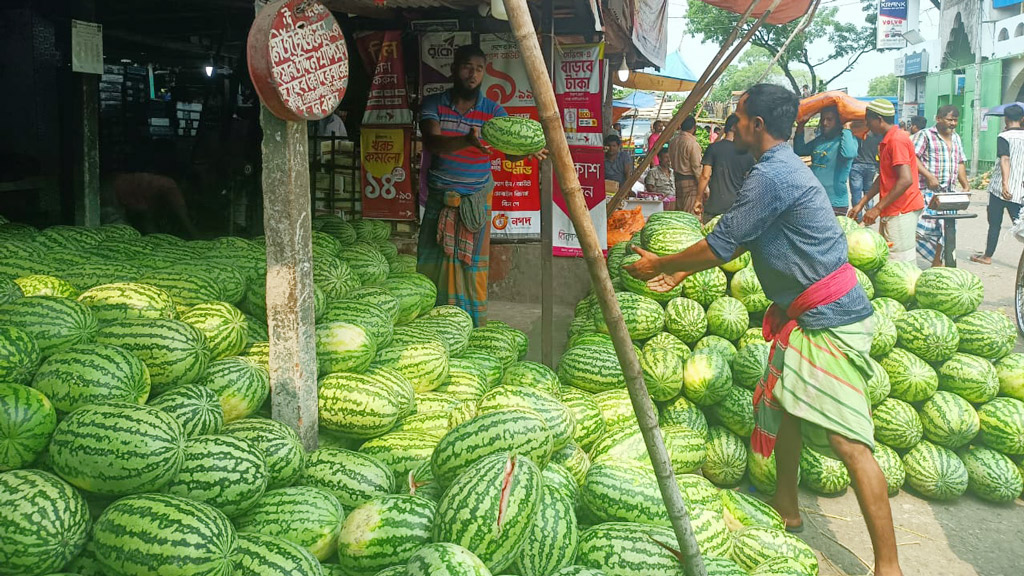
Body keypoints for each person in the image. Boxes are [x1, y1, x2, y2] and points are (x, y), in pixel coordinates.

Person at [623, 84, 903, 576]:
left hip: (830, 318)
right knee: (790, 411)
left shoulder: (774, 175)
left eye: (738, 116)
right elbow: (740, 236)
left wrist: (662, 263)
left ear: (756, 125)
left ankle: (889, 566)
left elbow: (725, 244)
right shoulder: (778, 169)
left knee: (849, 442)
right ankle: (786, 506)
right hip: (809, 313)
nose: (733, 124)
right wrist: (686, 269)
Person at [417, 45, 545, 326]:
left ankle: (472, 325)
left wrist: (525, 150)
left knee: (472, 270)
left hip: (475, 202)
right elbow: (431, 142)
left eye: (478, 68)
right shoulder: (433, 103)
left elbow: (509, 150)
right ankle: (430, 321)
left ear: (484, 73)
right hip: (441, 200)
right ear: (453, 69)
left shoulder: (493, 111)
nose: (472, 73)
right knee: (433, 265)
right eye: (466, 66)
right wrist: (466, 140)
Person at [848, 99, 923, 263]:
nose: (867, 124)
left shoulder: (896, 141)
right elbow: (884, 177)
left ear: (879, 119)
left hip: (902, 209)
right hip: (893, 208)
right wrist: (862, 203)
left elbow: (905, 180)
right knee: (890, 259)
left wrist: (876, 208)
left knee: (901, 265)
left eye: (868, 120)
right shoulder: (887, 140)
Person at [913, 105, 970, 266]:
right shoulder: (925, 135)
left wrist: (965, 184)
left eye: (955, 120)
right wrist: (929, 176)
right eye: (950, 119)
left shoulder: (956, 138)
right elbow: (913, 158)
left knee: (946, 232)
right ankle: (907, 261)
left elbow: (959, 162)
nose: (953, 123)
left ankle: (937, 263)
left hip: (949, 194)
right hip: (927, 192)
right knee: (921, 230)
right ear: (938, 119)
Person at [973, 104, 1024, 264]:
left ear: (1006, 118)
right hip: (1020, 189)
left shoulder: (1004, 137)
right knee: (1020, 224)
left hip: (1000, 189)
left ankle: (987, 256)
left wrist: (1004, 184)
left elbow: (1005, 159)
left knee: (994, 223)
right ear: (1022, 119)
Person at [794, 106, 859, 215]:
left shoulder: (846, 139)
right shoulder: (819, 141)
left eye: (829, 119)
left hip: (835, 203)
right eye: (823, 119)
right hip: (815, 199)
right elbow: (799, 150)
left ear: (839, 122)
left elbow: (849, 154)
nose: (824, 123)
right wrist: (800, 127)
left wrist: (847, 128)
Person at [696, 113, 754, 222]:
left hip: (714, 206)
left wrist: (698, 199)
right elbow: (751, 181)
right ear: (734, 127)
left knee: (710, 236)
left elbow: (705, 176)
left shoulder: (713, 148)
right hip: (736, 208)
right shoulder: (747, 153)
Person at [667, 115, 703, 213]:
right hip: (690, 181)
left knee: (681, 212)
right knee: (691, 213)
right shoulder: (692, 143)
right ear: (694, 127)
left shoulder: (673, 141)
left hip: (678, 180)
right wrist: (704, 187)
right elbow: (696, 168)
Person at [849, 129, 882, 220]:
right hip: (871, 165)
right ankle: (869, 215)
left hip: (857, 165)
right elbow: (879, 151)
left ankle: (857, 217)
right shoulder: (877, 135)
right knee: (868, 191)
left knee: (856, 193)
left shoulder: (857, 134)